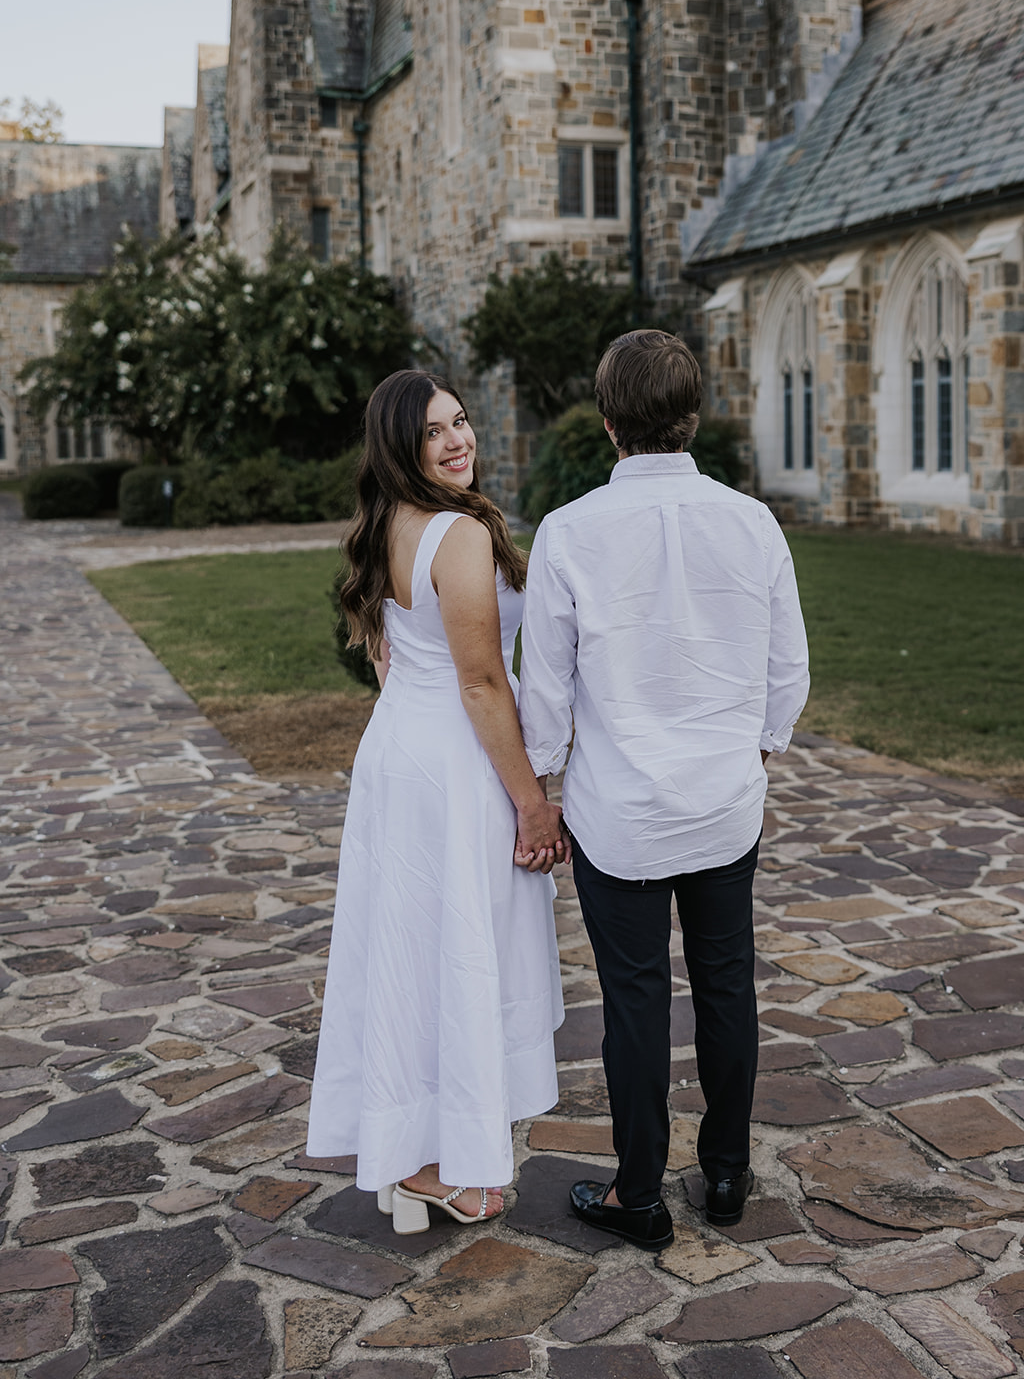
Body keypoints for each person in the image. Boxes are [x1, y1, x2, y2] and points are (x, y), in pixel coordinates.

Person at [519, 329, 809, 1250]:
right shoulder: (752, 521)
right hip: (724, 803)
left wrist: (547, 781)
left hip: (621, 812)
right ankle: (725, 1172)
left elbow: (546, 689)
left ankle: (638, 1194)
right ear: (692, 418)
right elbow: (787, 665)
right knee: (727, 987)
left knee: (633, 1000)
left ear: (609, 425)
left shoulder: (568, 532)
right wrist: (759, 746)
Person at [306, 369, 565, 1235]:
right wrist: (530, 803)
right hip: (454, 764)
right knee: (455, 946)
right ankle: (427, 1165)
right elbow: (483, 682)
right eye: (433, 434)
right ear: (400, 448)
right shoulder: (455, 534)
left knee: (409, 950)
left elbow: (387, 659)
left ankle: (418, 1147)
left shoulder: (384, 526)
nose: (458, 442)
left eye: (460, 423)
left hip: (396, 754)